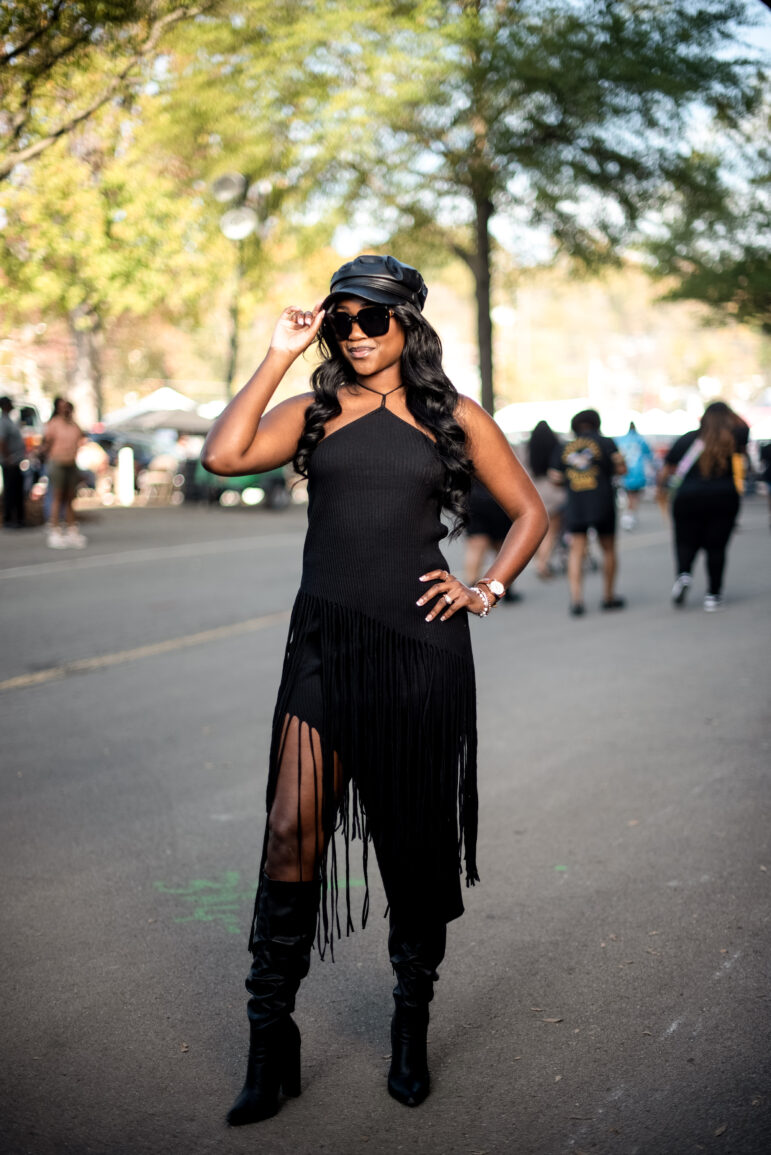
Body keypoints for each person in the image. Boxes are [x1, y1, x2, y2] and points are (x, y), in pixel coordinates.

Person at [201, 254, 548, 1126]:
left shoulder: (451, 416)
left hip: (420, 649)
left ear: (407, 323)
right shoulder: (314, 412)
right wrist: (279, 352)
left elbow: (529, 512)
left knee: (411, 842)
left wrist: (485, 586)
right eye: (341, 320)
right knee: (289, 830)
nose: (355, 335)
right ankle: (268, 1039)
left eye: (372, 319)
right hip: (322, 645)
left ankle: (408, 1027)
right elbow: (222, 455)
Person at [657, 401, 744, 611]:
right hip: (724, 498)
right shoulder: (733, 438)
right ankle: (713, 595)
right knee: (717, 547)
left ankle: (684, 574)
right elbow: (745, 427)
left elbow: (667, 469)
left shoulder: (688, 439)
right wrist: (730, 417)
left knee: (685, 541)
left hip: (688, 498)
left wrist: (661, 491)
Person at [549, 408, 626, 616]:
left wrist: (571, 480)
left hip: (577, 504)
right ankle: (608, 597)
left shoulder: (565, 446)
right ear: (596, 423)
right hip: (603, 502)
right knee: (608, 548)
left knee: (576, 550)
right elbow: (621, 469)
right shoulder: (606, 442)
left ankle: (576, 600)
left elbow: (554, 477)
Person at [463, 478, 520, 602]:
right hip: (497, 498)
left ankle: (470, 589)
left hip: (473, 498)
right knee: (501, 546)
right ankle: (504, 587)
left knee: (476, 546)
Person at [40, 400, 87, 548]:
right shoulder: (54, 424)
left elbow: (81, 439)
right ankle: (54, 529)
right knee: (57, 496)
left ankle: (71, 529)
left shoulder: (74, 425)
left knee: (70, 497)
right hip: (57, 463)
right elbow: (46, 442)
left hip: (71, 463)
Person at [526, 420, 565, 577]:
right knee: (552, 532)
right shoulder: (556, 447)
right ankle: (543, 563)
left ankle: (540, 560)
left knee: (538, 531)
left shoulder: (529, 449)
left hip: (536, 491)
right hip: (554, 492)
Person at [616, 421, 653, 530]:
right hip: (637, 473)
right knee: (634, 496)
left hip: (624, 472)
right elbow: (649, 456)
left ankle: (629, 514)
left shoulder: (621, 439)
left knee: (629, 494)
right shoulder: (640, 440)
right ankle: (629, 515)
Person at [0, 396, 27, 529]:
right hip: (10, 462)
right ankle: (9, 519)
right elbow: (2, 441)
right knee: (11, 491)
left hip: (16, 461)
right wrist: (8, 457)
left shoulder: (10, 420)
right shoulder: (3, 422)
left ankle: (18, 519)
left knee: (17, 490)